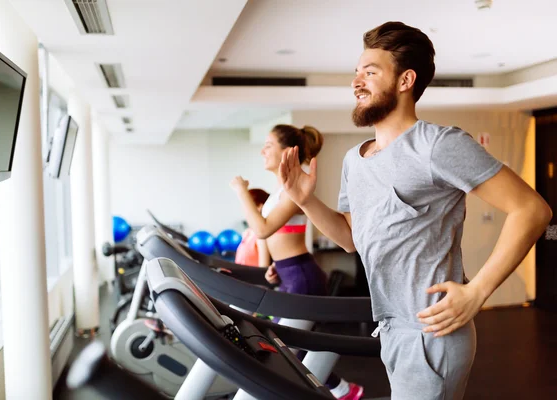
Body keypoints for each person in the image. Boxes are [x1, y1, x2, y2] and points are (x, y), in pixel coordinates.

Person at [278, 21, 552, 400]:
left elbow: (531, 209)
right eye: (357, 72)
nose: (357, 81)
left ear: (405, 80)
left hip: (432, 331)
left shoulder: (438, 145)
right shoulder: (354, 160)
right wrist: (303, 198)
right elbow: (349, 238)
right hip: (391, 329)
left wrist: (476, 293)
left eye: (370, 72)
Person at [230, 124, 364, 400]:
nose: (262, 150)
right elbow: (271, 236)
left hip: (302, 275)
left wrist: (242, 192)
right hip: (290, 272)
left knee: (279, 350)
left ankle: (342, 390)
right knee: (291, 350)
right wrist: (274, 266)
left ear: (288, 152)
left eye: (268, 145)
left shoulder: (293, 190)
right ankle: (343, 390)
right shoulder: (280, 193)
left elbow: (263, 229)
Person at [234, 188, 271, 267]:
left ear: (259, 207)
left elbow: (263, 269)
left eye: (247, 205)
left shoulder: (261, 236)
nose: (244, 209)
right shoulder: (247, 232)